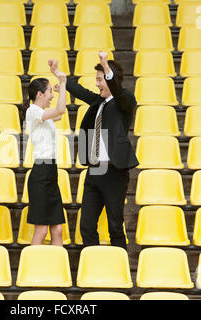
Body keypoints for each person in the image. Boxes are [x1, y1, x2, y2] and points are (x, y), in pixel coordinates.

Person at [66, 51, 139, 249]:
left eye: (100, 80)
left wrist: (106, 67)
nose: (97, 84)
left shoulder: (126, 101)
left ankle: (119, 266)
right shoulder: (98, 102)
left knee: (115, 226)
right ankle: (94, 265)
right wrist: (62, 78)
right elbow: (82, 93)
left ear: (110, 79)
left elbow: (117, 90)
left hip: (114, 171)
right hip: (94, 170)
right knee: (87, 225)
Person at [24, 59, 68, 246]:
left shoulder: (44, 114)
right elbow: (61, 109)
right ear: (40, 93)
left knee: (57, 229)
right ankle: (33, 271)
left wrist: (61, 91)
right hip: (41, 173)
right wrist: (63, 83)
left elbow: (59, 112)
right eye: (50, 91)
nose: (51, 95)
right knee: (41, 230)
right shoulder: (33, 111)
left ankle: (57, 271)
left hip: (51, 172)